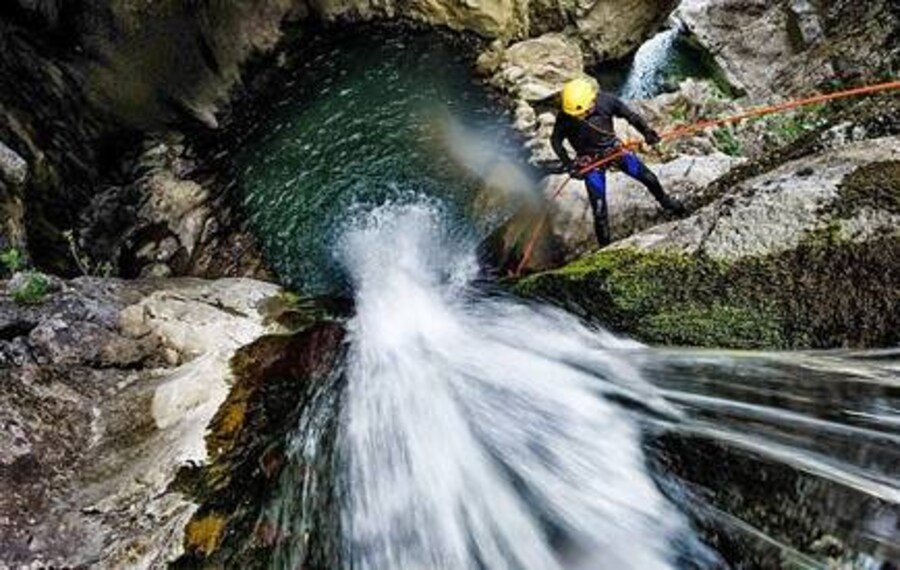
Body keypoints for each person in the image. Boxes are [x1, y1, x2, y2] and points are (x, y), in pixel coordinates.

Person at [550, 77, 687, 246]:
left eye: (582, 113)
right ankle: (605, 248)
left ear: (591, 100)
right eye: (576, 115)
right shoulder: (566, 116)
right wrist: (569, 164)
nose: (579, 117)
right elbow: (555, 141)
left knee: (649, 178)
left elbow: (630, 116)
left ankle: (667, 203)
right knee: (599, 212)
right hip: (590, 163)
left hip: (613, 151)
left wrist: (647, 132)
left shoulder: (606, 101)